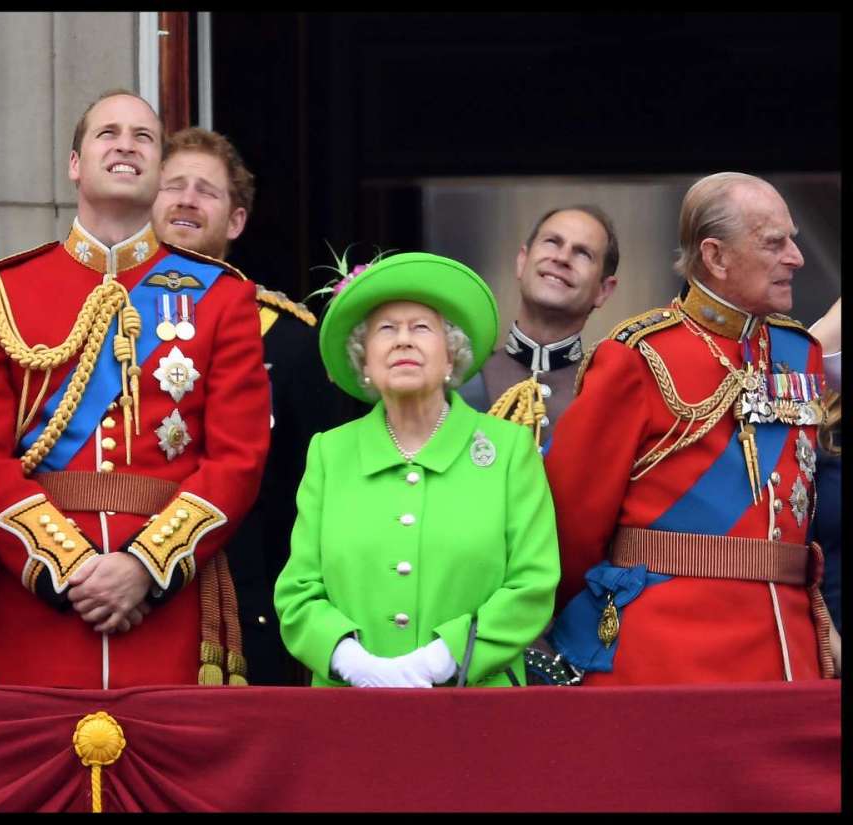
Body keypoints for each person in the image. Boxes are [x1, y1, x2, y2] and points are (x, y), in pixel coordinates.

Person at [0, 90, 271, 689]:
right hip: (38, 601)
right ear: (75, 164)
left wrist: (144, 567)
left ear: (157, 172)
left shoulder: (223, 296)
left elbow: (238, 459)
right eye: (108, 134)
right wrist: (67, 567)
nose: (126, 145)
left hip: (165, 602)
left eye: (143, 137)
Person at [545, 172, 838, 684]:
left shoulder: (799, 353)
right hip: (668, 655)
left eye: (792, 239)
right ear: (715, 256)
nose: (796, 256)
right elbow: (573, 526)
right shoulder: (637, 356)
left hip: (787, 653)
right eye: (775, 243)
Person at [273, 252, 560, 688]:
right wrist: (353, 663)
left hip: (478, 708)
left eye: (421, 328)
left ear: (451, 358)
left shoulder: (509, 450)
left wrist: (439, 661)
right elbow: (297, 592)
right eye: (386, 329)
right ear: (364, 363)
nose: (403, 341)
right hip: (350, 710)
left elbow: (532, 585)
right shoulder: (330, 454)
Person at [152, 126, 349, 685]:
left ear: (236, 222)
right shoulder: (105, 324)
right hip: (128, 601)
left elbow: (314, 497)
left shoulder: (288, 341)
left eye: (207, 191)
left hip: (248, 608)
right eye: (174, 186)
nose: (188, 199)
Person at [460, 205, 619, 448]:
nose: (562, 258)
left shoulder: (610, 396)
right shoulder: (463, 379)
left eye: (583, 253)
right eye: (552, 242)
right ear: (522, 261)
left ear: (603, 290)